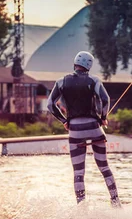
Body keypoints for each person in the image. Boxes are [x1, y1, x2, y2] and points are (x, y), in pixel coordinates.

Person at [47, 51, 121, 208]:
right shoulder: (93, 80)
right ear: (89, 66)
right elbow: (105, 99)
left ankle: (81, 208)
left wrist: (64, 120)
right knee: (104, 167)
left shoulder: (61, 82)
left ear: (75, 63)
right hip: (95, 128)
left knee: (78, 173)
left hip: (75, 130)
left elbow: (50, 105)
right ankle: (116, 202)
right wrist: (103, 117)